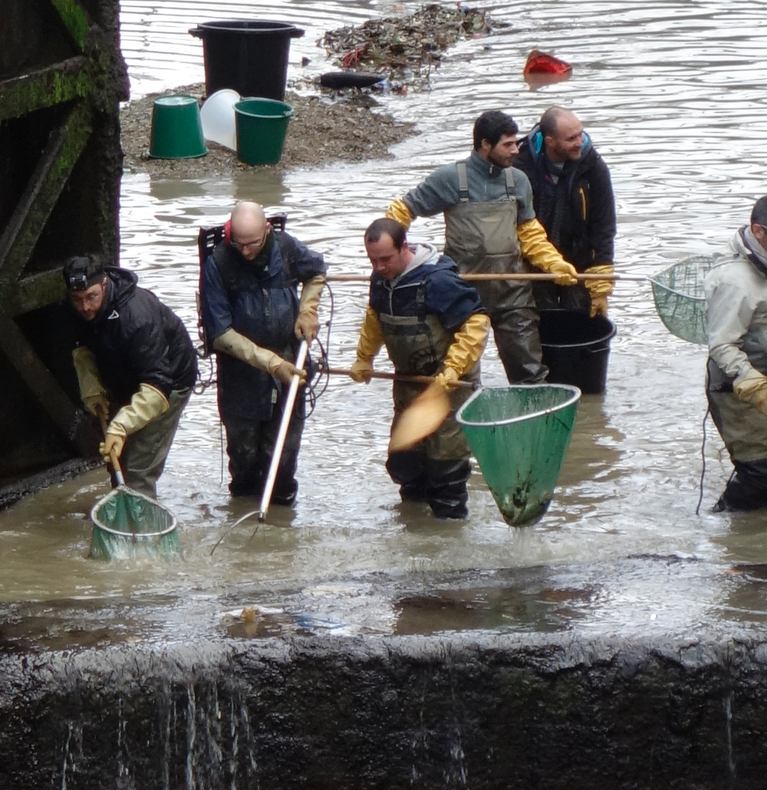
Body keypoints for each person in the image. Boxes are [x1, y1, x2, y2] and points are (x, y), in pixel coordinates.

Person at [385, 110, 579, 385]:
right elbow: (403, 210)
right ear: (485, 145)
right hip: (461, 294)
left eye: (515, 143)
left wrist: (554, 264)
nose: (516, 149)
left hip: (512, 292)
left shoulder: (518, 180)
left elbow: (530, 234)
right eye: (508, 144)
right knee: (459, 378)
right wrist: (392, 257)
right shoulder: (450, 178)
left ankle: (533, 421)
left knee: (530, 374)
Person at [350, 217, 490, 517]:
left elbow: (476, 323)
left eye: (385, 259)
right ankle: (414, 530)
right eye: (373, 260)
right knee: (404, 463)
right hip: (408, 385)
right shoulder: (381, 281)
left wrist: (453, 370)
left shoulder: (438, 281)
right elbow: (374, 320)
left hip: (449, 388)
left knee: (445, 469)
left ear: (404, 248)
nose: (378, 268)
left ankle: (448, 538)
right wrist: (364, 358)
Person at [200, 201, 327, 504]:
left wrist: (307, 310)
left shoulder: (286, 248)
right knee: (244, 457)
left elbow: (316, 272)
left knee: (283, 455)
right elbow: (220, 333)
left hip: (291, 366)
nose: (246, 251)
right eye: (239, 244)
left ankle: (282, 510)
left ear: (267, 230)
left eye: (253, 243)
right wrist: (271, 363)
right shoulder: (218, 263)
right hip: (241, 374)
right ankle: (242, 505)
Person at [64, 255, 197, 498]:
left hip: (168, 383)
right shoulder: (76, 309)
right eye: (77, 300)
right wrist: (92, 389)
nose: (85, 307)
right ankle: (122, 514)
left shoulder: (137, 317)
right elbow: (81, 348)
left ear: (104, 284)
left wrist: (121, 425)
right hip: (123, 377)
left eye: (91, 297)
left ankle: (143, 530)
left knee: (138, 468)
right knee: (115, 458)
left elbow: (157, 386)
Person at [704, 195, 767, 512]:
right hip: (740, 389)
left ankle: (756, 540)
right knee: (759, 471)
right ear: (758, 231)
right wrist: (749, 378)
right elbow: (721, 344)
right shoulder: (736, 281)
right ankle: (721, 524)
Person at [515, 106, 616, 318]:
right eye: (571, 139)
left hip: (578, 262)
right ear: (550, 141)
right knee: (541, 325)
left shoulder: (594, 166)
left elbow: (604, 227)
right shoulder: (519, 165)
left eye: (580, 134)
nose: (580, 142)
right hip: (533, 263)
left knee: (583, 320)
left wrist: (601, 278)